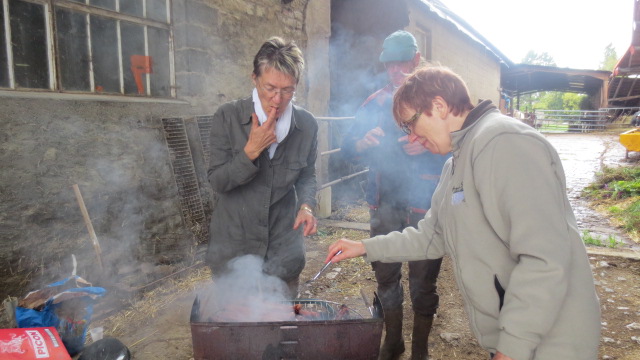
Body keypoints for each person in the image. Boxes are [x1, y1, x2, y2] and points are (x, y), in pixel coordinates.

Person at [326, 66, 601, 360]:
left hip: (552, 344)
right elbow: (431, 236)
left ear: (439, 106)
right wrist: (365, 247)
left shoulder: (504, 142)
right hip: (524, 339)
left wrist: (513, 347)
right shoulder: (456, 161)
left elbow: (545, 258)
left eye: (411, 124)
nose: (412, 138)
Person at [341, 30, 450, 360]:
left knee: (423, 283)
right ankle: (393, 341)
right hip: (384, 205)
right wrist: (362, 143)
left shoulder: (437, 105)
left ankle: (419, 350)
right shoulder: (373, 105)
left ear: (416, 61)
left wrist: (431, 150)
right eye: (391, 66)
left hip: (425, 207)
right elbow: (346, 150)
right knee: (386, 276)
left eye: (403, 64)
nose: (397, 71)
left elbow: (459, 152)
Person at [205, 37, 318, 298]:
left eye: (288, 90)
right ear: (254, 78)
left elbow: (307, 175)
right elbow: (218, 182)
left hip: (283, 245)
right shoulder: (227, 116)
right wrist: (251, 151)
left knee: (281, 324)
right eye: (270, 88)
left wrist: (307, 205)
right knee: (236, 324)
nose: (277, 100)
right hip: (234, 245)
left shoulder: (306, 125)